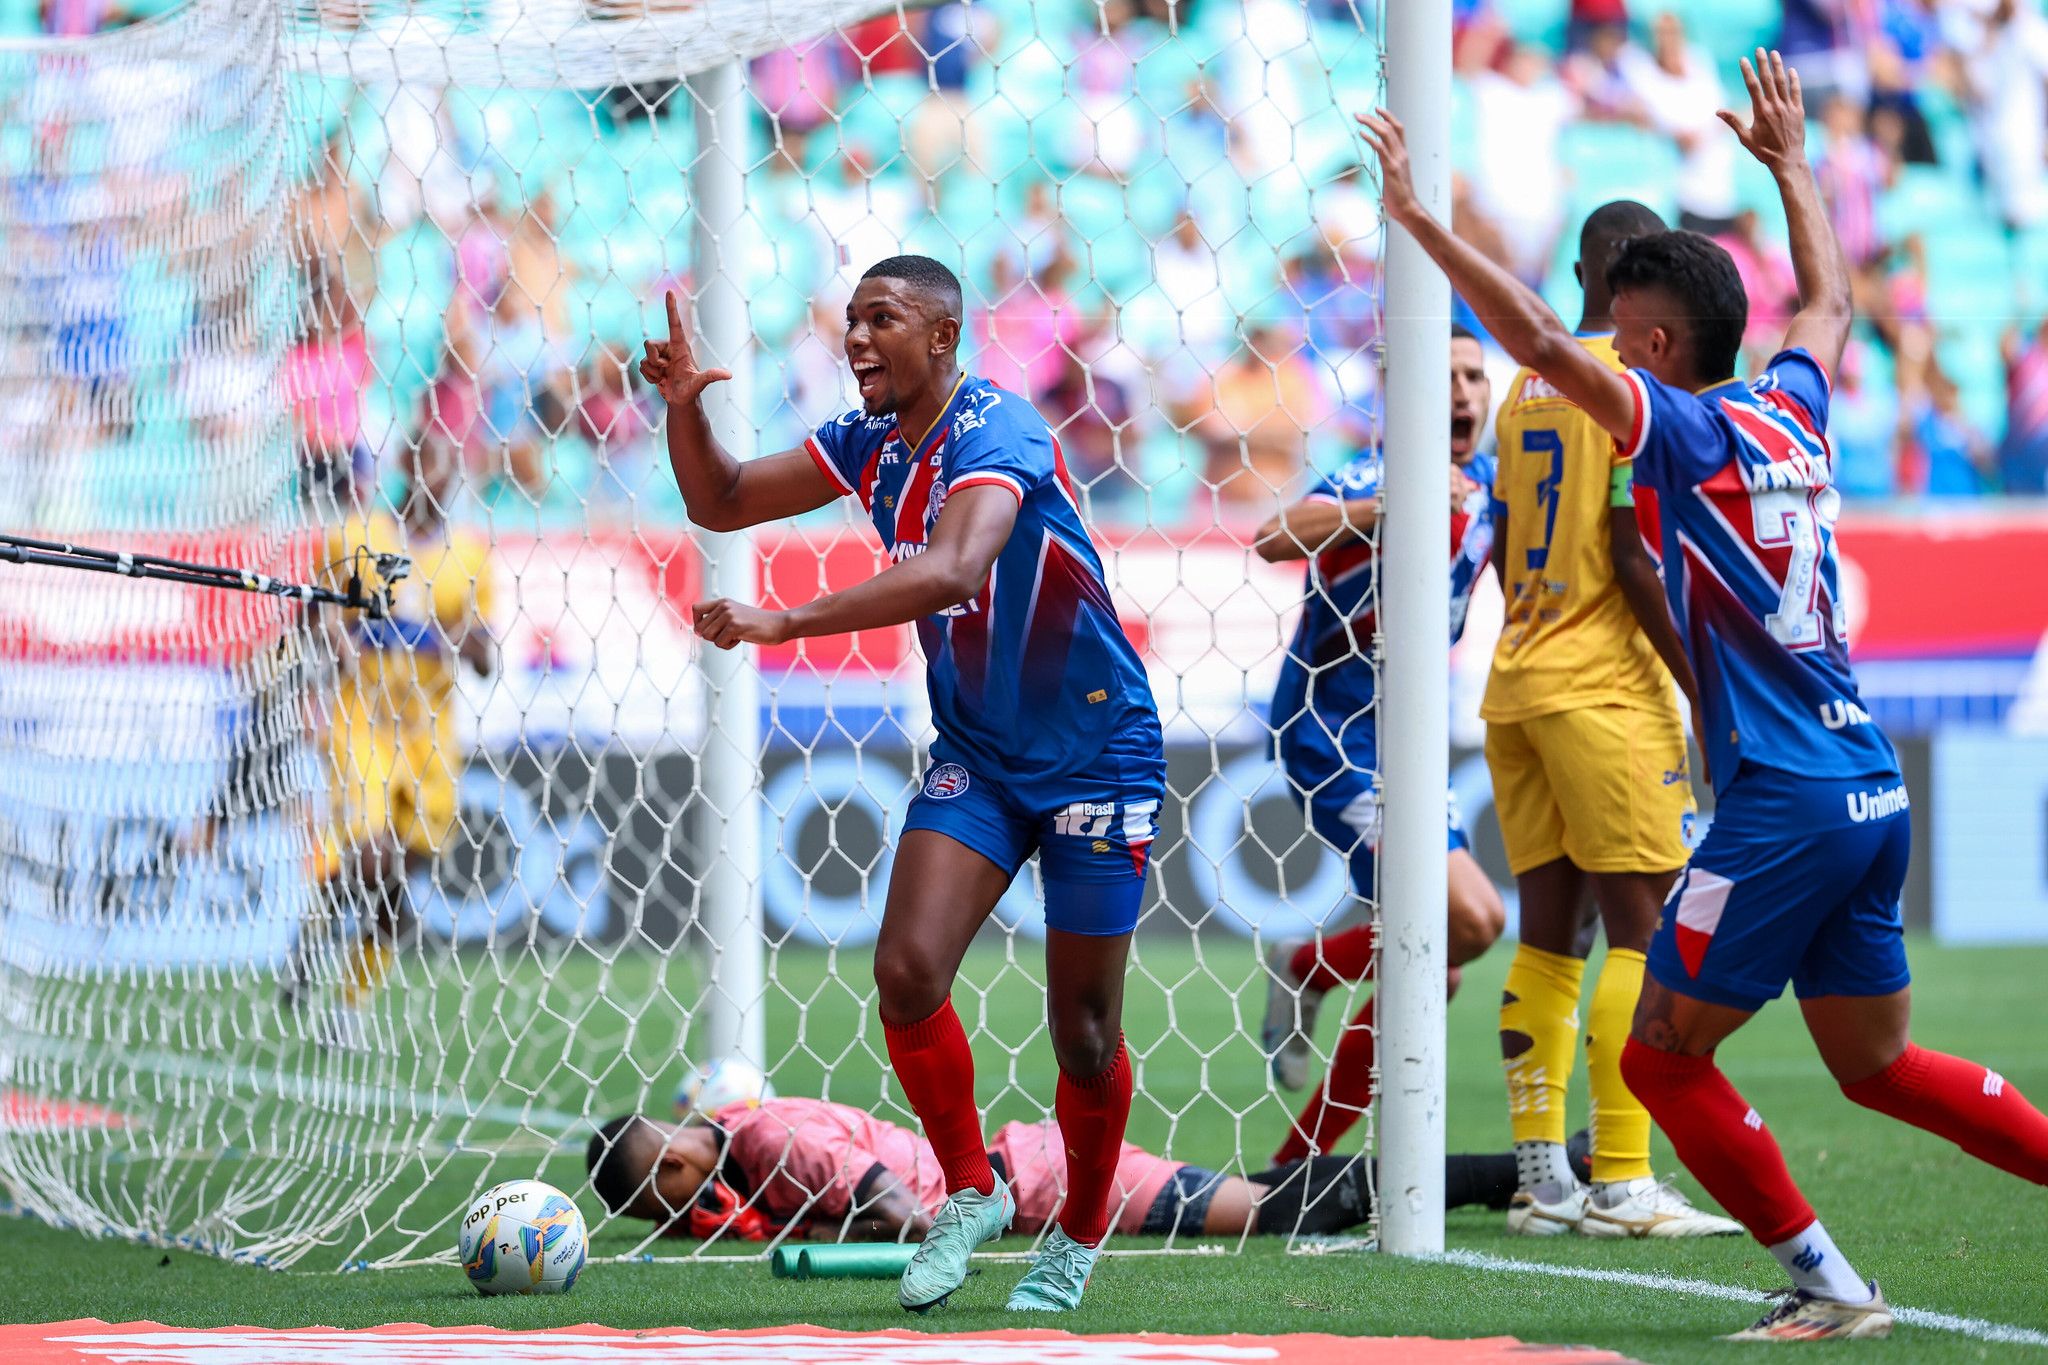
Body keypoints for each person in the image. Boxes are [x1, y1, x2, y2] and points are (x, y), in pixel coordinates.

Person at [1361, 50, 2048, 1341]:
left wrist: (1417, 224)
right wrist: (1791, 167)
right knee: (1879, 1063)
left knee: (1660, 1055)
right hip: (1870, 779)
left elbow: (1534, 341)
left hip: (1783, 805)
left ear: (1660, 349)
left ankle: (1830, 1286)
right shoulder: (1794, 407)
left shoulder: (1684, 429)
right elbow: (1832, 302)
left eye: (1626, 337)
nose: (1609, 352)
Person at [637, 255, 1163, 1315]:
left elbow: (956, 569)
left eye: (882, 319)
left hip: (1098, 753)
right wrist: (684, 412)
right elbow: (724, 496)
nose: (857, 338)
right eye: (850, 321)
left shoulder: (997, 431)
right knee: (907, 969)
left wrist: (784, 622)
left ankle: (1075, 1234)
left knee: (1085, 1035)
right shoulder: (869, 442)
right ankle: (969, 1191)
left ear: (940, 336)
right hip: (978, 749)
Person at [1484, 199, 1735, 1243]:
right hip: (1605, 688)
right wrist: (1702, 688)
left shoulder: (1518, 390)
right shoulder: (1623, 391)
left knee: (1549, 938)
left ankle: (1541, 1182)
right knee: (1643, 932)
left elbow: (1503, 539)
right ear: (1621, 279)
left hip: (1519, 679)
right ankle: (1622, 1183)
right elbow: (1632, 552)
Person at [1255, 326, 1506, 1167]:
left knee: (1430, 971)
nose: (1466, 392)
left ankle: (1295, 1170)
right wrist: (1388, 508)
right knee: (1467, 921)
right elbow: (1273, 535)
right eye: (1449, 375)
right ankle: (1307, 965)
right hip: (1336, 733)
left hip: (1412, 742)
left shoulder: (1491, 490)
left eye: (1476, 375)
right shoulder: (1373, 475)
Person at [584, 1101, 1559, 1247]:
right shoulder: (739, 1132)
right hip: (1029, 1165)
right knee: (1260, 1190)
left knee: (1262, 1213)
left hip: (1038, 1179)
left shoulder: (768, 1147)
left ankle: (1513, 1173)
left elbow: (892, 1204)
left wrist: (895, 1239)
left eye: (659, 1203)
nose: (674, 1220)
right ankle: (1523, 1170)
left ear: (675, 1159)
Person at [295, 435, 496, 1048]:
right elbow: (311, 614)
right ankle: (324, 932)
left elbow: (488, 658)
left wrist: (458, 634)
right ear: (407, 468)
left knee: (396, 896)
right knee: (376, 855)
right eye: (429, 460)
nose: (440, 475)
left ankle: (340, 987)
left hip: (431, 734)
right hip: (364, 719)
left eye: (449, 464)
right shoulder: (357, 538)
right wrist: (331, 640)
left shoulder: (469, 556)